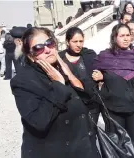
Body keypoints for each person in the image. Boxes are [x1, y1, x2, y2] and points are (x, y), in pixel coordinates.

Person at [10, 27, 101, 158]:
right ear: (31, 56)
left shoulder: (64, 67)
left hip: (84, 148)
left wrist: (69, 73)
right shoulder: (23, 81)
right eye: (38, 48)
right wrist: (58, 85)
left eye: (49, 43)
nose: (47, 49)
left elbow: (90, 101)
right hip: (54, 151)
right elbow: (39, 121)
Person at [92, 23, 134, 152]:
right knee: (116, 144)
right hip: (113, 108)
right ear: (114, 38)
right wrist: (100, 76)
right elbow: (91, 72)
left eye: (128, 35)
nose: (125, 38)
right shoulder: (105, 57)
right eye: (121, 35)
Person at [59, 27, 100, 127]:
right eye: (75, 41)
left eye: (81, 41)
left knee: (91, 135)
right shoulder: (59, 58)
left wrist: (100, 75)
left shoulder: (89, 55)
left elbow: (101, 70)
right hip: (70, 105)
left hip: (91, 103)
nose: (79, 45)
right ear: (67, 42)